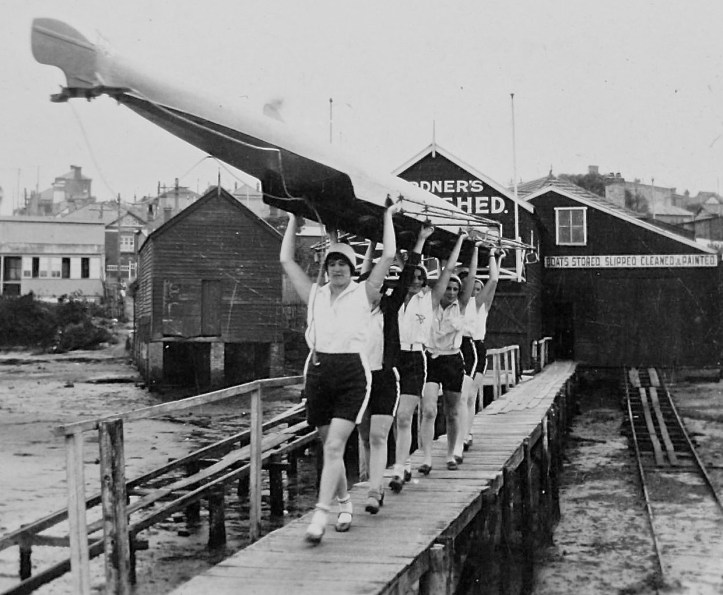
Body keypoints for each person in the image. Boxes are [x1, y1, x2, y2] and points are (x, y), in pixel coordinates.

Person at [279, 203, 398, 545]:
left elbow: (388, 254)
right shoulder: (314, 294)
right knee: (327, 445)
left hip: (351, 374)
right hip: (318, 371)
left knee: (334, 445)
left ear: (351, 268)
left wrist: (387, 217)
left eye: (343, 263)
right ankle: (344, 502)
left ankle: (321, 514)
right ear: (326, 268)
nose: (337, 268)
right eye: (332, 263)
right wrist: (291, 220)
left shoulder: (364, 293)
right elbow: (287, 261)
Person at [417, 231, 479, 474]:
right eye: (448, 288)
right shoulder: (429, 304)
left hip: (453, 360)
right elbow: (443, 270)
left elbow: (472, 276)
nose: (451, 292)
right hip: (431, 359)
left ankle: (452, 453)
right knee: (429, 409)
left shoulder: (461, 307)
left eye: (455, 289)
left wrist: (472, 249)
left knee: (453, 411)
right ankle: (427, 458)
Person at [387, 223, 435, 493]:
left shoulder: (428, 300)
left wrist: (422, 240)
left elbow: (449, 272)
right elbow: (401, 268)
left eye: (421, 278)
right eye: (412, 277)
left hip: (416, 359)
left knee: (405, 416)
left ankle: (399, 468)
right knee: (395, 417)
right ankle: (402, 464)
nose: (416, 281)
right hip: (394, 358)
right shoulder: (392, 299)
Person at [453, 247, 504, 462]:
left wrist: (494, 256)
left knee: (469, 395)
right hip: (457, 346)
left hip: (474, 347)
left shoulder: (479, 303)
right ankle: (463, 434)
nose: (469, 284)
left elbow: (493, 280)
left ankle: (465, 434)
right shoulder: (454, 303)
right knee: (464, 396)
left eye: (472, 281)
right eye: (464, 278)